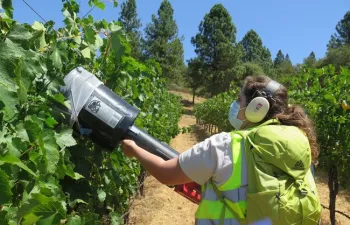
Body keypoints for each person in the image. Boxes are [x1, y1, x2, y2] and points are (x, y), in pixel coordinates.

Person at [120, 75, 322, 225]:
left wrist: (135, 150)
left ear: (256, 107)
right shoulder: (302, 147)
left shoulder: (226, 144)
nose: (236, 106)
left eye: (240, 100)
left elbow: (167, 173)